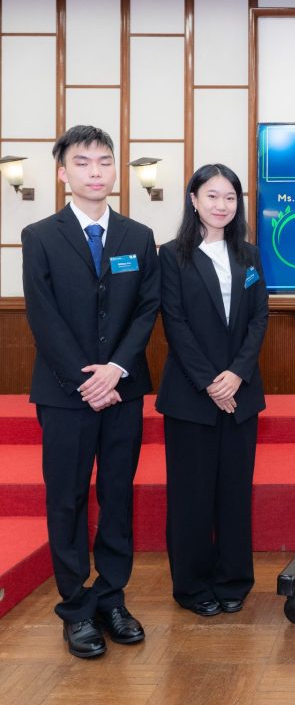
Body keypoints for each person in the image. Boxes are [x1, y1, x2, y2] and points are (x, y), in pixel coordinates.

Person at [21, 125, 160, 658]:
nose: (95, 171)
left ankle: (112, 597)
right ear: (63, 174)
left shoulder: (137, 236)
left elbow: (147, 308)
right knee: (69, 498)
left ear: (115, 171)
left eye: (104, 162)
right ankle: (75, 607)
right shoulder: (40, 236)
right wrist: (85, 381)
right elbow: (42, 314)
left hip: (123, 391)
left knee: (118, 496)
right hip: (64, 395)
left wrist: (116, 371)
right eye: (83, 163)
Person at [156, 163, 268, 617]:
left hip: (241, 394)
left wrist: (237, 375)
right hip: (190, 396)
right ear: (193, 199)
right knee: (191, 495)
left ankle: (233, 580)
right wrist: (209, 381)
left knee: (234, 491)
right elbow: (174, 324)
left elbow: (259, 318)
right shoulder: (171, 255)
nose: (222, 205)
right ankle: (192, 586)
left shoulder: (250, 255)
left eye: (230, 197)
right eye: (213, 196)